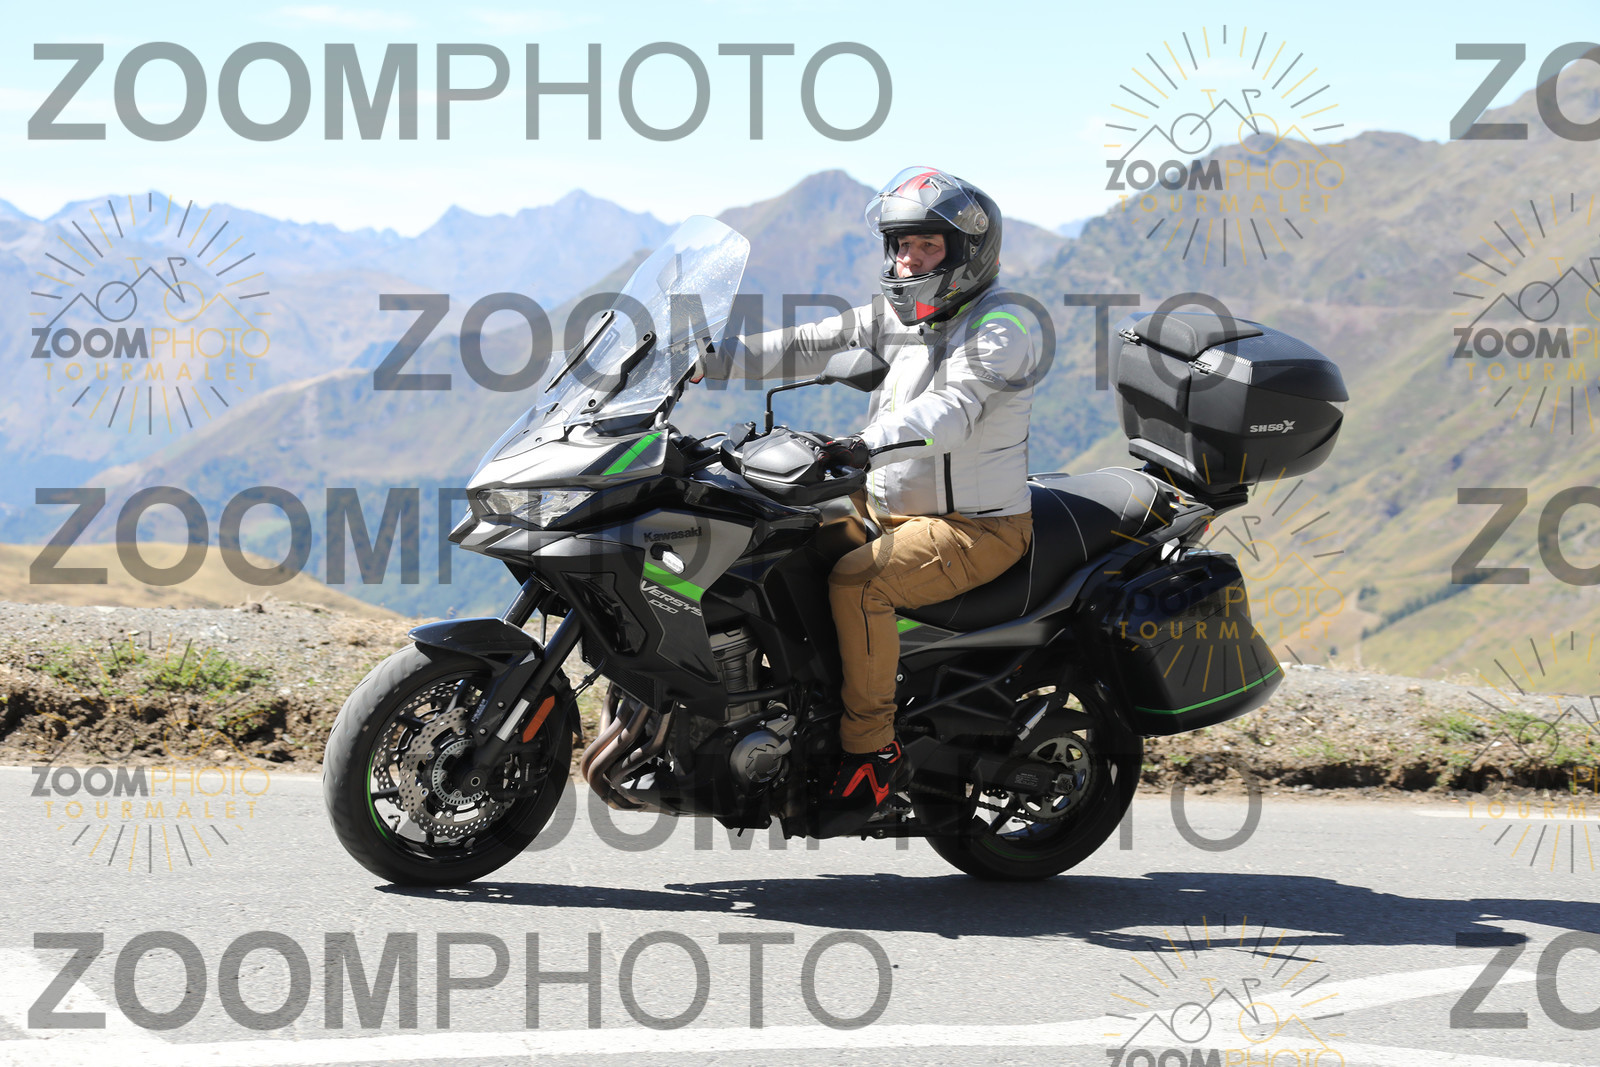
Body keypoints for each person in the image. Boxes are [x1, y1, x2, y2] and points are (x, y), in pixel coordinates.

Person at [695, 166, 1037, 831]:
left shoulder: (1003, 327)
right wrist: (708, 359)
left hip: (975, 529)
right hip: (885, 509)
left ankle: (870, 753)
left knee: (859, 584)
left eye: (927, 246)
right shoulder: (900, 313)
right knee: (767, 538)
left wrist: (864, 443)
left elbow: (951, 410)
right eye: (902, 245)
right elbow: (808, 343)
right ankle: (785, 707)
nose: (909, 260)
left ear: (968, 252)